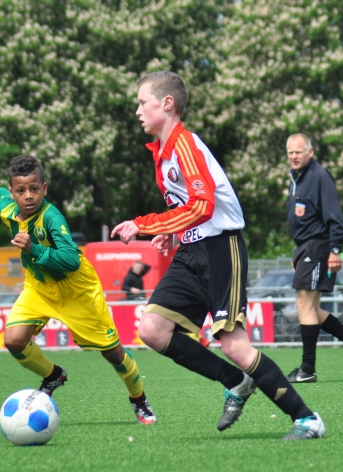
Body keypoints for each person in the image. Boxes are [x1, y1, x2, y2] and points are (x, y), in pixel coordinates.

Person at [111, 71, 325, 440]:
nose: (137, 110)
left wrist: (145, 225)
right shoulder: (163, 153)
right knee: (151, 329)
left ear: (167, 103)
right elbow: (188, 209)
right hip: (191, 251)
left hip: (221, 249)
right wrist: (171, 231)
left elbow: (203, 205)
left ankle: (307, 419)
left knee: (235, 345)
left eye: (142, 102)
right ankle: (235, 382)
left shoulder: (184, 145)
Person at [0, 155, 156, 424]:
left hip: (76, 290)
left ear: (45, 188)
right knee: (13, 341)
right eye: (21, 190)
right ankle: (53, 375)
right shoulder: (3, 200)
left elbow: (70, 259)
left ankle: (139, 400)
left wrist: (33, 248)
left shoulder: (51, 217)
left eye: (34, 188)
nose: (28, 196)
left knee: (112, 352)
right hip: (39, 287)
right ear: (11, 192)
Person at [284, 133, 343, 384]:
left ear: (310, 153)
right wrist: (298, 250)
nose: (293, 156)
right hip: (306, 248)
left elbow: (334, 217)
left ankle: (308, 368)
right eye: (290, 152)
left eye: (298, 152)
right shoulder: (297, 178)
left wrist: (335, 250)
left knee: (304, 306)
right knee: (310, 308)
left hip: (319, 247)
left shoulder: (319, 176)